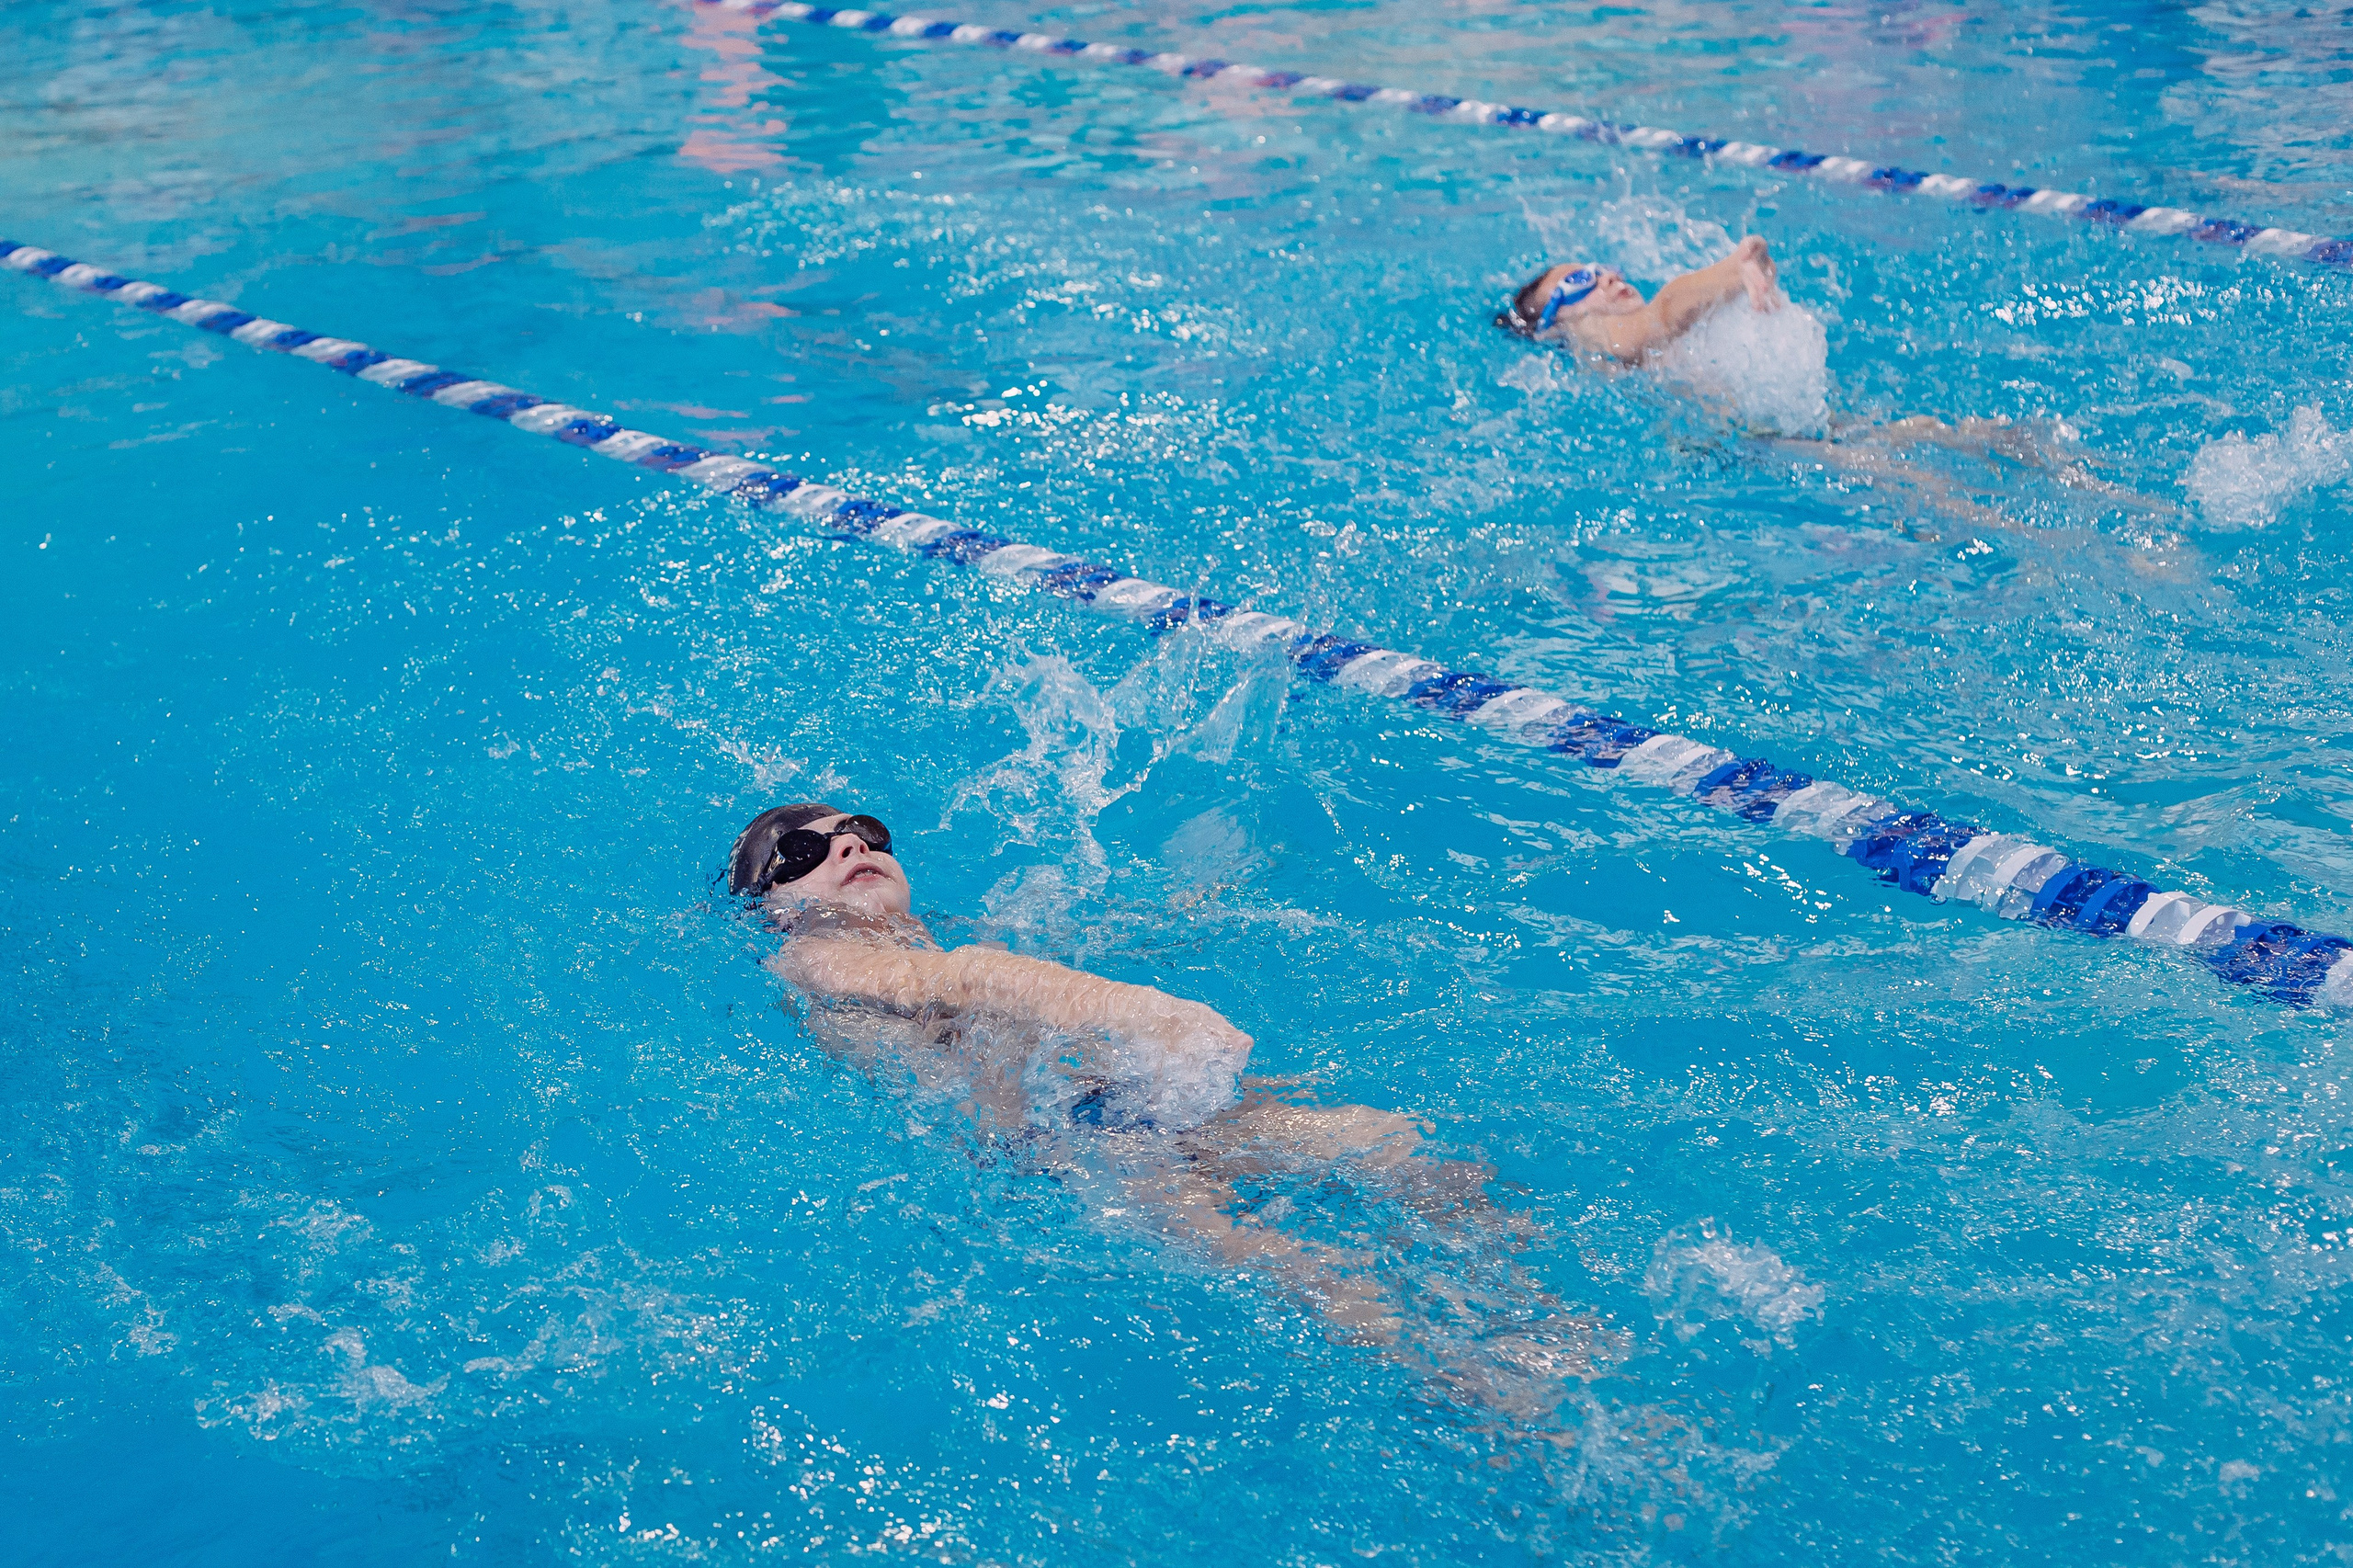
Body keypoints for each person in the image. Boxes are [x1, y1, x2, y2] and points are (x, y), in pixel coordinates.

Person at [728, 801, 1608, 1408]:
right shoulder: (816, 958)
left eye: (861, 831)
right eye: (801, 854)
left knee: (1398, 1147)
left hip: (1115, 1099)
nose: (846, 848)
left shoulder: (927, 938)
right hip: (1070, 1146)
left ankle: (1544, 1316)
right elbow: (968, 979)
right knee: (1280, 1259)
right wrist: (1151, 1014)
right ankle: (1484, 1391)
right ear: (773, 910)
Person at [1499, 236, 1784, 366]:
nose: (1608, 278)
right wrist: (1732, 270)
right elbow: (1661, 317)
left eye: (1600, 270)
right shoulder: (1585, 331)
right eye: (1578, 281)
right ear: (1551, 325)